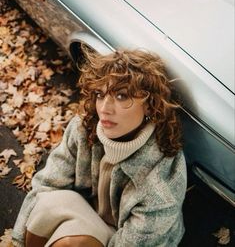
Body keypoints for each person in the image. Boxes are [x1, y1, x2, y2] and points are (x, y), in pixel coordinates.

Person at [12, 48, 187, 247]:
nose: (104, 109)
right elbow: (46, 185)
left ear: (149, 104)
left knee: (72, 243)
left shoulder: (161, 179)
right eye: (100, 94)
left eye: (121, 96)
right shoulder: (83, 128)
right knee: (45, 205)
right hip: (87, 211)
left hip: (127, 238)